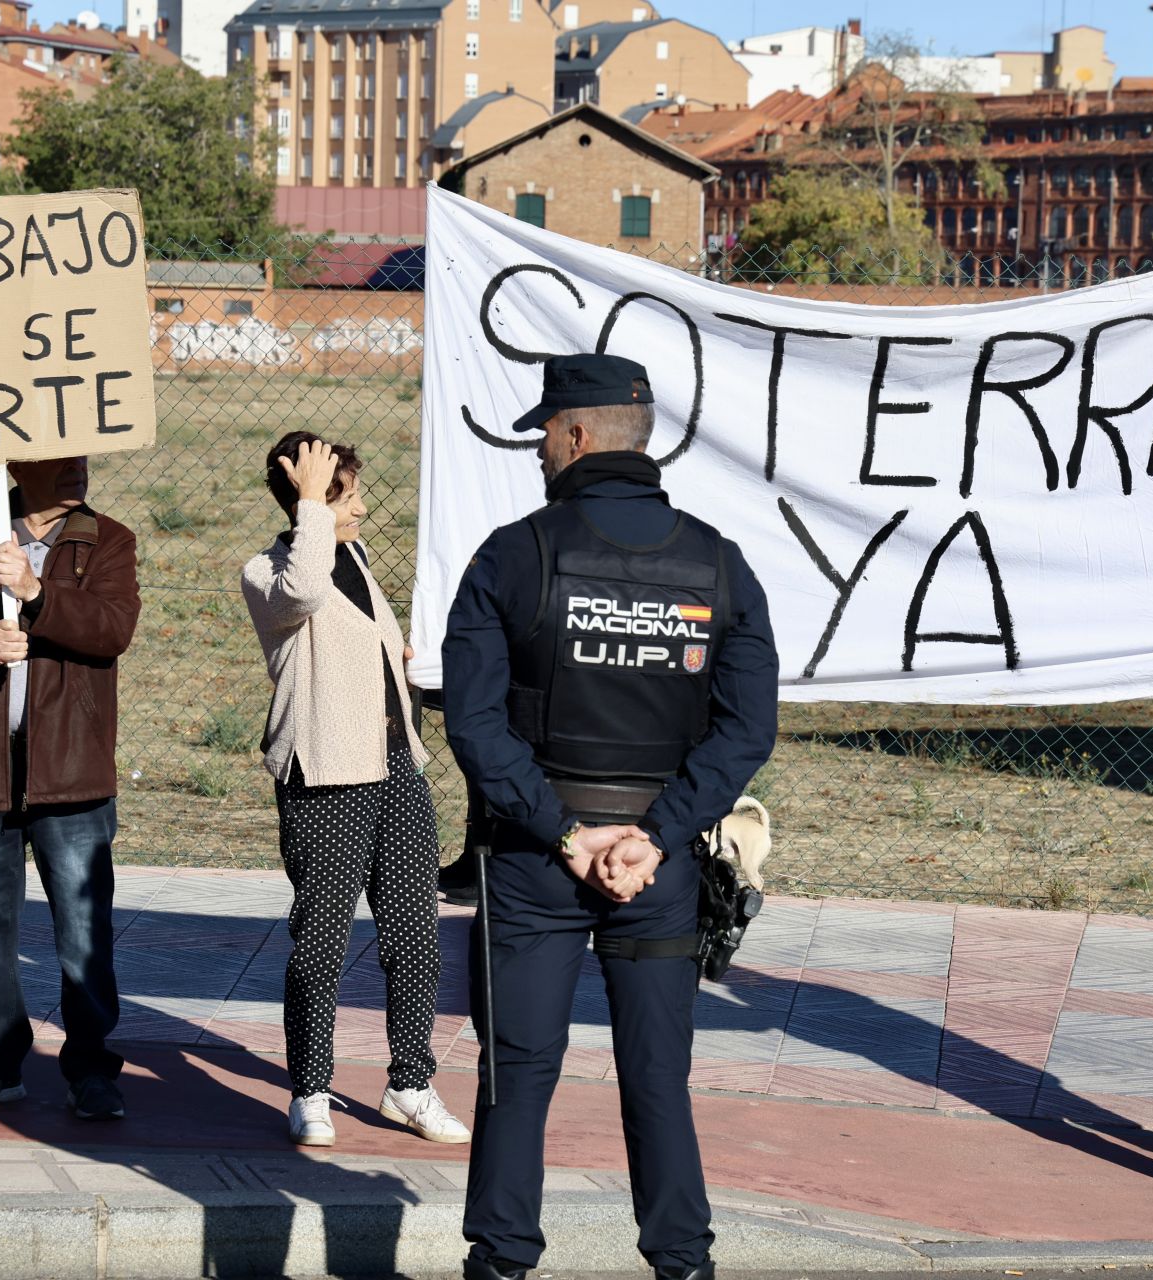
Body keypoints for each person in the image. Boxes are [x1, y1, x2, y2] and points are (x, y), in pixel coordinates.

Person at [443, 354, 778, 1280]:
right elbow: (749, 727)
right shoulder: (717, 562)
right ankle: (684, 1265)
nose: (538, 450)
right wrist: (658, 835)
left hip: (533, 861)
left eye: (545, 432)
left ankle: (501, 1265)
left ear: (579, 436)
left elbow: (471, 721)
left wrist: (560, 830)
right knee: (659, 1086)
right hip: (656, 869)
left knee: (516, 1078)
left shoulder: (514, 554)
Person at [240, 433, 470, 1148]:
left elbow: (355, 632)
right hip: (326, 770)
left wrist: (395, 658)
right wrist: (312, 499)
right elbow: (306, 593)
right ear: (309, 500)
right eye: (348, 497)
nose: (363, 508)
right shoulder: (267, 573)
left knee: (415, 935)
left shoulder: (356, 557)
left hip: (394, 765)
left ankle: (411, 1081)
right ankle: (309, 1088)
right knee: (322, 942)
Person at [0, 456, 139, 1121]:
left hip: (73, 773)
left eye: (82, 455)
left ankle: (92, 1069)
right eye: (59, 457)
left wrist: (38, 592)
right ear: (17, 461)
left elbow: (112, 630)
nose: (77, 469)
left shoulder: (108, 541)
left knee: (84, 929)